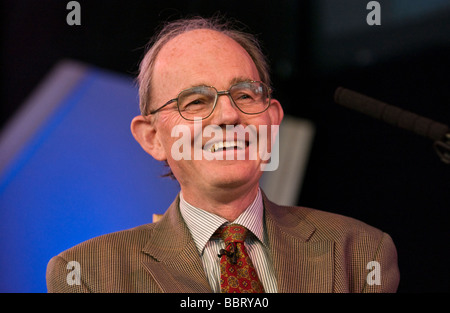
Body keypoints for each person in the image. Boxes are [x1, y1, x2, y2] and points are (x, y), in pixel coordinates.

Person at [46, 16, 399, 293]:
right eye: (196, 101)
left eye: (245, 95)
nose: (229, 116)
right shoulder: (89, 273)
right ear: (152, 137)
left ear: (273, 120)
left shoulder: (360, 251)